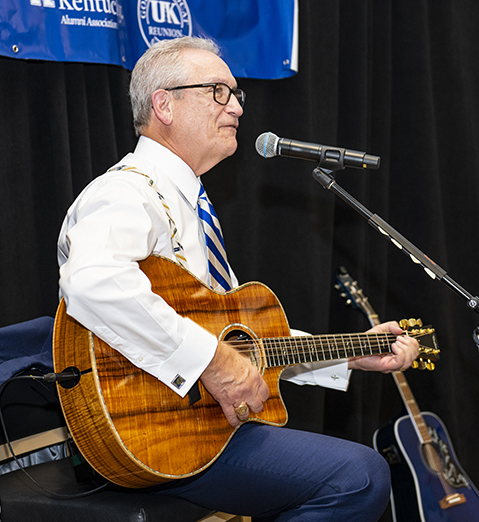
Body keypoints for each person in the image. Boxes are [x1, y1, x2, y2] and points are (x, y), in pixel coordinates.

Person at [57, 36, 419, 521]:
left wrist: (349, 354)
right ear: (164, 104)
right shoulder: (125, 192)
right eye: (218, 92)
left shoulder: (192, 203)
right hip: (150, 430)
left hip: (199, 426)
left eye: (236, 94)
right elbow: (91, 281)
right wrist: (211, 361)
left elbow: (241, 344)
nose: (237, 108)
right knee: (360, 476)